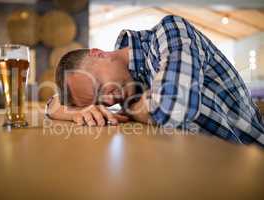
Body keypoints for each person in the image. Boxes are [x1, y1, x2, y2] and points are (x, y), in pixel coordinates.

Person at [45, 15, 264, 145]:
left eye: (101, 87)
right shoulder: (128, 81)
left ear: (98, 53)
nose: (110, 100)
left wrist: (133, 110)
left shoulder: (170, 31)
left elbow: (173, 107)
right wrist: (74, 113)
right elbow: (52, 103)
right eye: (100, 102)